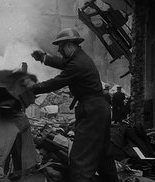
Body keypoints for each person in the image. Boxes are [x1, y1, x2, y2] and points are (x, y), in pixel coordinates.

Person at [30, 28, 118, 182]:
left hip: (92, 111)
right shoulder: (79, 58)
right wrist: (45, 58)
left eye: (61, 46)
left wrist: (32, 88)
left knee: (81, 160)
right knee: (104, 158)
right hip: (98, 110)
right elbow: (64, 63)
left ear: (70, 45)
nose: (59, 50)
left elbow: (57, 82)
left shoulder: (78, 64)